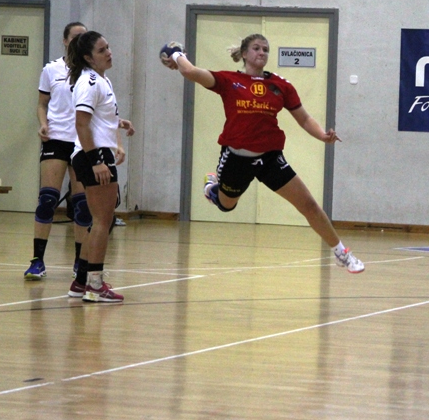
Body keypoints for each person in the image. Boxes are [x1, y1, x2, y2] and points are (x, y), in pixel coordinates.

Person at [161, 33, 364, 274]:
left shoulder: (280, 85)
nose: (262, 53)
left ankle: (342, 253)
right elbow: (190, 71)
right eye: (256, 48)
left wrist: (322, 135)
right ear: (244, 54)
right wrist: (177, 54)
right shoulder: (228, 80)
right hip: (236, 158)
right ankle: (212, 188)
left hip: (269, 158)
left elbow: (304, 118)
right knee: (226, 205)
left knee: (308, 205)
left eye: (265, 49)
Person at [66, 31, 135, 302]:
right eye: (101, 50)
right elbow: (81, 124)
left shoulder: (102, 80)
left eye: (108, 47)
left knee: (100, 221)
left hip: (96, 152)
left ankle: (80, 282)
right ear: (88, 57)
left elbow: (96, 118)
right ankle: (95, 284)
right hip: (93, 154)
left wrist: (118, 122)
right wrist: (96, 161)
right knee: (102, 222)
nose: (109, 53)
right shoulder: (90, 82)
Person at [25, 22, 92, 281]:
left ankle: (80, 262)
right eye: (75, 37)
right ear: (65, 41)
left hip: (82, 141)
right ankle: (37, 261)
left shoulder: (92, 73)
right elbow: (42, 104)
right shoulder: (51, 70)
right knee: (48, 200)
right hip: (56, 139)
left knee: (82, 205)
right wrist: (43, 123)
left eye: (84, 37)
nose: (79, 40)